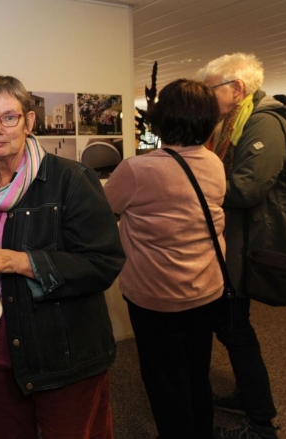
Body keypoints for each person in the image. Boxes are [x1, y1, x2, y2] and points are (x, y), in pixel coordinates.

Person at [0, 75, 125, 439]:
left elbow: (104, 263)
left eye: (9, 117)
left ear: (29, 122)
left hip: (63, 356)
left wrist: (19, 261)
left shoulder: (71, 179)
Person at [198, 53, 286, 439]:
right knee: (233, 326)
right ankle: (248, 397)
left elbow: (246, 188)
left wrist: (193, 184)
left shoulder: (263, 122)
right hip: (238, 241)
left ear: (237, 89)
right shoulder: (236, 123)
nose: (207, 96)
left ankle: (261, 419)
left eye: (211, 88)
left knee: (234, 328)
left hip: (250, 243)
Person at [104, 79, 225, 439]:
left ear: (160, 119)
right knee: (196, 372)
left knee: (163, 379)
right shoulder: (215, 163)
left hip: (155, 296)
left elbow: (104, 210)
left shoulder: (137, 170)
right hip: (207, 289)